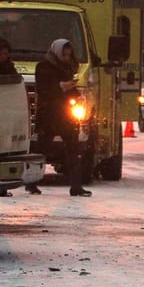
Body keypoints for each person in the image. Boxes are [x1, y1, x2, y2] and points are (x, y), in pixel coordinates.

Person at [32, 38, 91, 197]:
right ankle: (31, 182)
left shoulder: (66, 67)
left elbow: (67, 90)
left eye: (68, 55)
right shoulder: (44, 67)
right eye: (64, 54)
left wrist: (75, 93)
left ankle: (76, 186)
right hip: (49, 115)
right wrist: (62, 87)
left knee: (73, 149)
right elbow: (44, 89)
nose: (66, 57)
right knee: (42, 149)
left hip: (65, 114)